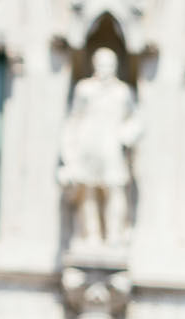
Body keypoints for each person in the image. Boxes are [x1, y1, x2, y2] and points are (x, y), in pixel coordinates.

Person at [59, 48, 139, 248]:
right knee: (88, 191)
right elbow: (74, 120)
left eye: (110, 65)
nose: (106, 69)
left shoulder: (122, 92)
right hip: (89, 145)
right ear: (94, 65)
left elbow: (135, 119)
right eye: (102, 64)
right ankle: (91, 235)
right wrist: (70, 154)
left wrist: (128, 134)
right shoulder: (84, 89)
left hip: (112, 146)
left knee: (115, 189)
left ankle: (114, 234)